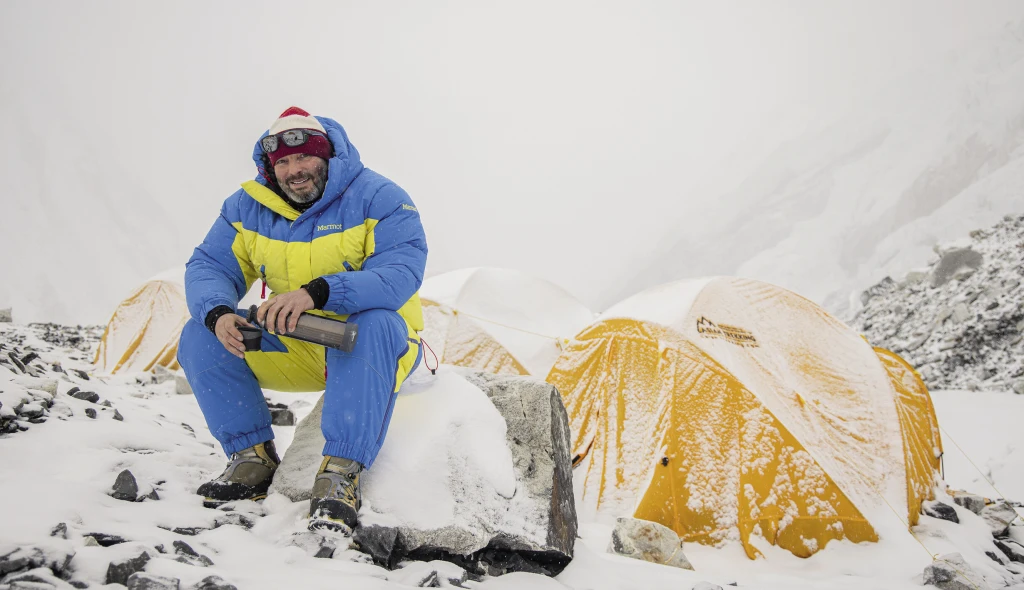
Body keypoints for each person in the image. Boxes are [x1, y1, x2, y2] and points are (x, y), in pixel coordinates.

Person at [176, 106, 427, 532]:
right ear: (270, 167)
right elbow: (209, 266)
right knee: (200, 334)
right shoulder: (245, 207)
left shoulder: (381, 198)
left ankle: (339, 474)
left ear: (327, 156)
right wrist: (217, 311)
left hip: (374, 349)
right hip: (298, 344)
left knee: (377, 323)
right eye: (284, 162)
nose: (295, 170)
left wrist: (317, 292)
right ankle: (251, 459)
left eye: (304, 158)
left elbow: (398, 274)